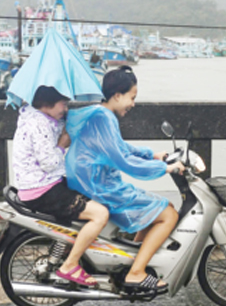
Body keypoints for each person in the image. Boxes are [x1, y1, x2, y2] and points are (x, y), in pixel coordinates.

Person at [65, 66, 185, 294]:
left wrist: (152, 154)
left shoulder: (102, 114)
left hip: (95, 181)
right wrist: (165, 168)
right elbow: (124, 161)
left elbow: (120, 148)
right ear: (117, 95)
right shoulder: (104, 118)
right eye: (132, 97)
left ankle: (135, 261)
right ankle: (136, 273)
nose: (133, 103)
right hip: (99, 186)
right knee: (169, 214)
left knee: (162, 207)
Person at [12, 85, 109, 287]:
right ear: (47, 104)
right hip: (43, 190)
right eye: (63, 104)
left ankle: (69, 251)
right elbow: (49, 162)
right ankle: (70, 265)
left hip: (41, 185)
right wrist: (63, 144)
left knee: (92, 194)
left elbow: (58, 127)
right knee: (100, 214)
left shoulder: (37, 117)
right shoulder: (38, 125)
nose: (65, 109)